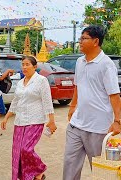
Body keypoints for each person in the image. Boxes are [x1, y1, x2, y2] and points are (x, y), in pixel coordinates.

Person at [63, 25, 121, 180]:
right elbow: (78, 86)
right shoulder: (79, 62)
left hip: (98, 128)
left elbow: (114, 95)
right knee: (70, 166)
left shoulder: (106, 64)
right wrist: (73, 106)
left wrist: (117, 120)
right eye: (80, 38)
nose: (79, 41)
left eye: (84, 38)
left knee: (99, 170)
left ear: (96, 41)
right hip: (77, 124)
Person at [1, 56, 57, 180]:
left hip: (35, 120)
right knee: (17, 152)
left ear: (35, 66)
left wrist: (51, 120)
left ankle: (39, 169)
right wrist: (7, 117)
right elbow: (16, 101)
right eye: (23, 64)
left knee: (26, 149)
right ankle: (31, 176)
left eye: (27, 64)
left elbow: (47, 101)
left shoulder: (41, 80)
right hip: (20, 121)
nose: (24, 67)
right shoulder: (21, 82)